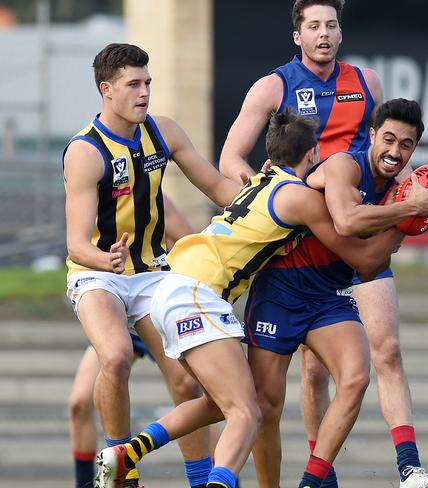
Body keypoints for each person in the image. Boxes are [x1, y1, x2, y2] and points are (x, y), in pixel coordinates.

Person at [94, 108, 404, 488]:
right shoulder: (300, 197)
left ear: (271, 158)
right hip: (198, 294)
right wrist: (409, 215)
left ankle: (126, 453)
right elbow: (363, 258)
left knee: (223, 403)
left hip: (170, 288)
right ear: (311, 156)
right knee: (247, 414)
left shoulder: (260, 179)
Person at [219, 2, 428, 487]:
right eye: (314, 26)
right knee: (309, 374)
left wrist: (422, 199)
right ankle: (319, 475)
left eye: (332, 25)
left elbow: (392, 152)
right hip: (305, 238)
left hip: (366, 223)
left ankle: (408, 466)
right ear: (297, 35)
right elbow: (229, 160)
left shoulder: (366, 83)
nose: (324, 34)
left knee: (384, 349)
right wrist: (270, 191)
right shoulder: (274, 86)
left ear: (341, 33)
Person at [63, 43, 243, 488]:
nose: (144, 92)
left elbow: (219, 188)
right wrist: (104, 258)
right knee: (117, 355)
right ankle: (121, 466)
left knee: (187, 382)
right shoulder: (85, 152)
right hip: (96, 274)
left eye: (147, 83)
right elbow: (74, 243)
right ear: (107, 90)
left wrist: (275, 199)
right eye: (133, 85)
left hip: (151, 275)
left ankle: (200, 480)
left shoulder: (163, 132)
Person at [68, 196, 206, 488]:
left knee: (188, 387)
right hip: (111, 303)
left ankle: (210, 477)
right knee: (79, 402)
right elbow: (77, 246)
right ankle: (96, 481)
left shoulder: (150, 193)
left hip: (150, 300)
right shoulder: (91, 190)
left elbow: (188, 240)